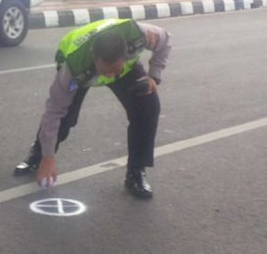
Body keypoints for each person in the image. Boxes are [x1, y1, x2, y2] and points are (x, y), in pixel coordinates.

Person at [14, 18, 171, 198]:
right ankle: (38, 153)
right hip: (82, 75)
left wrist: (154, 77)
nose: (111, 75)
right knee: (64, 118)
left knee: (148, 106)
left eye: (115, 69)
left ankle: (136, 172)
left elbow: (165, 40)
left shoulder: (139, 35)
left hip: (127, 71)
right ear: (94, 57)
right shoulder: (73, 72)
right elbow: (53, 113)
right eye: (106, 70)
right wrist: (48, 159)